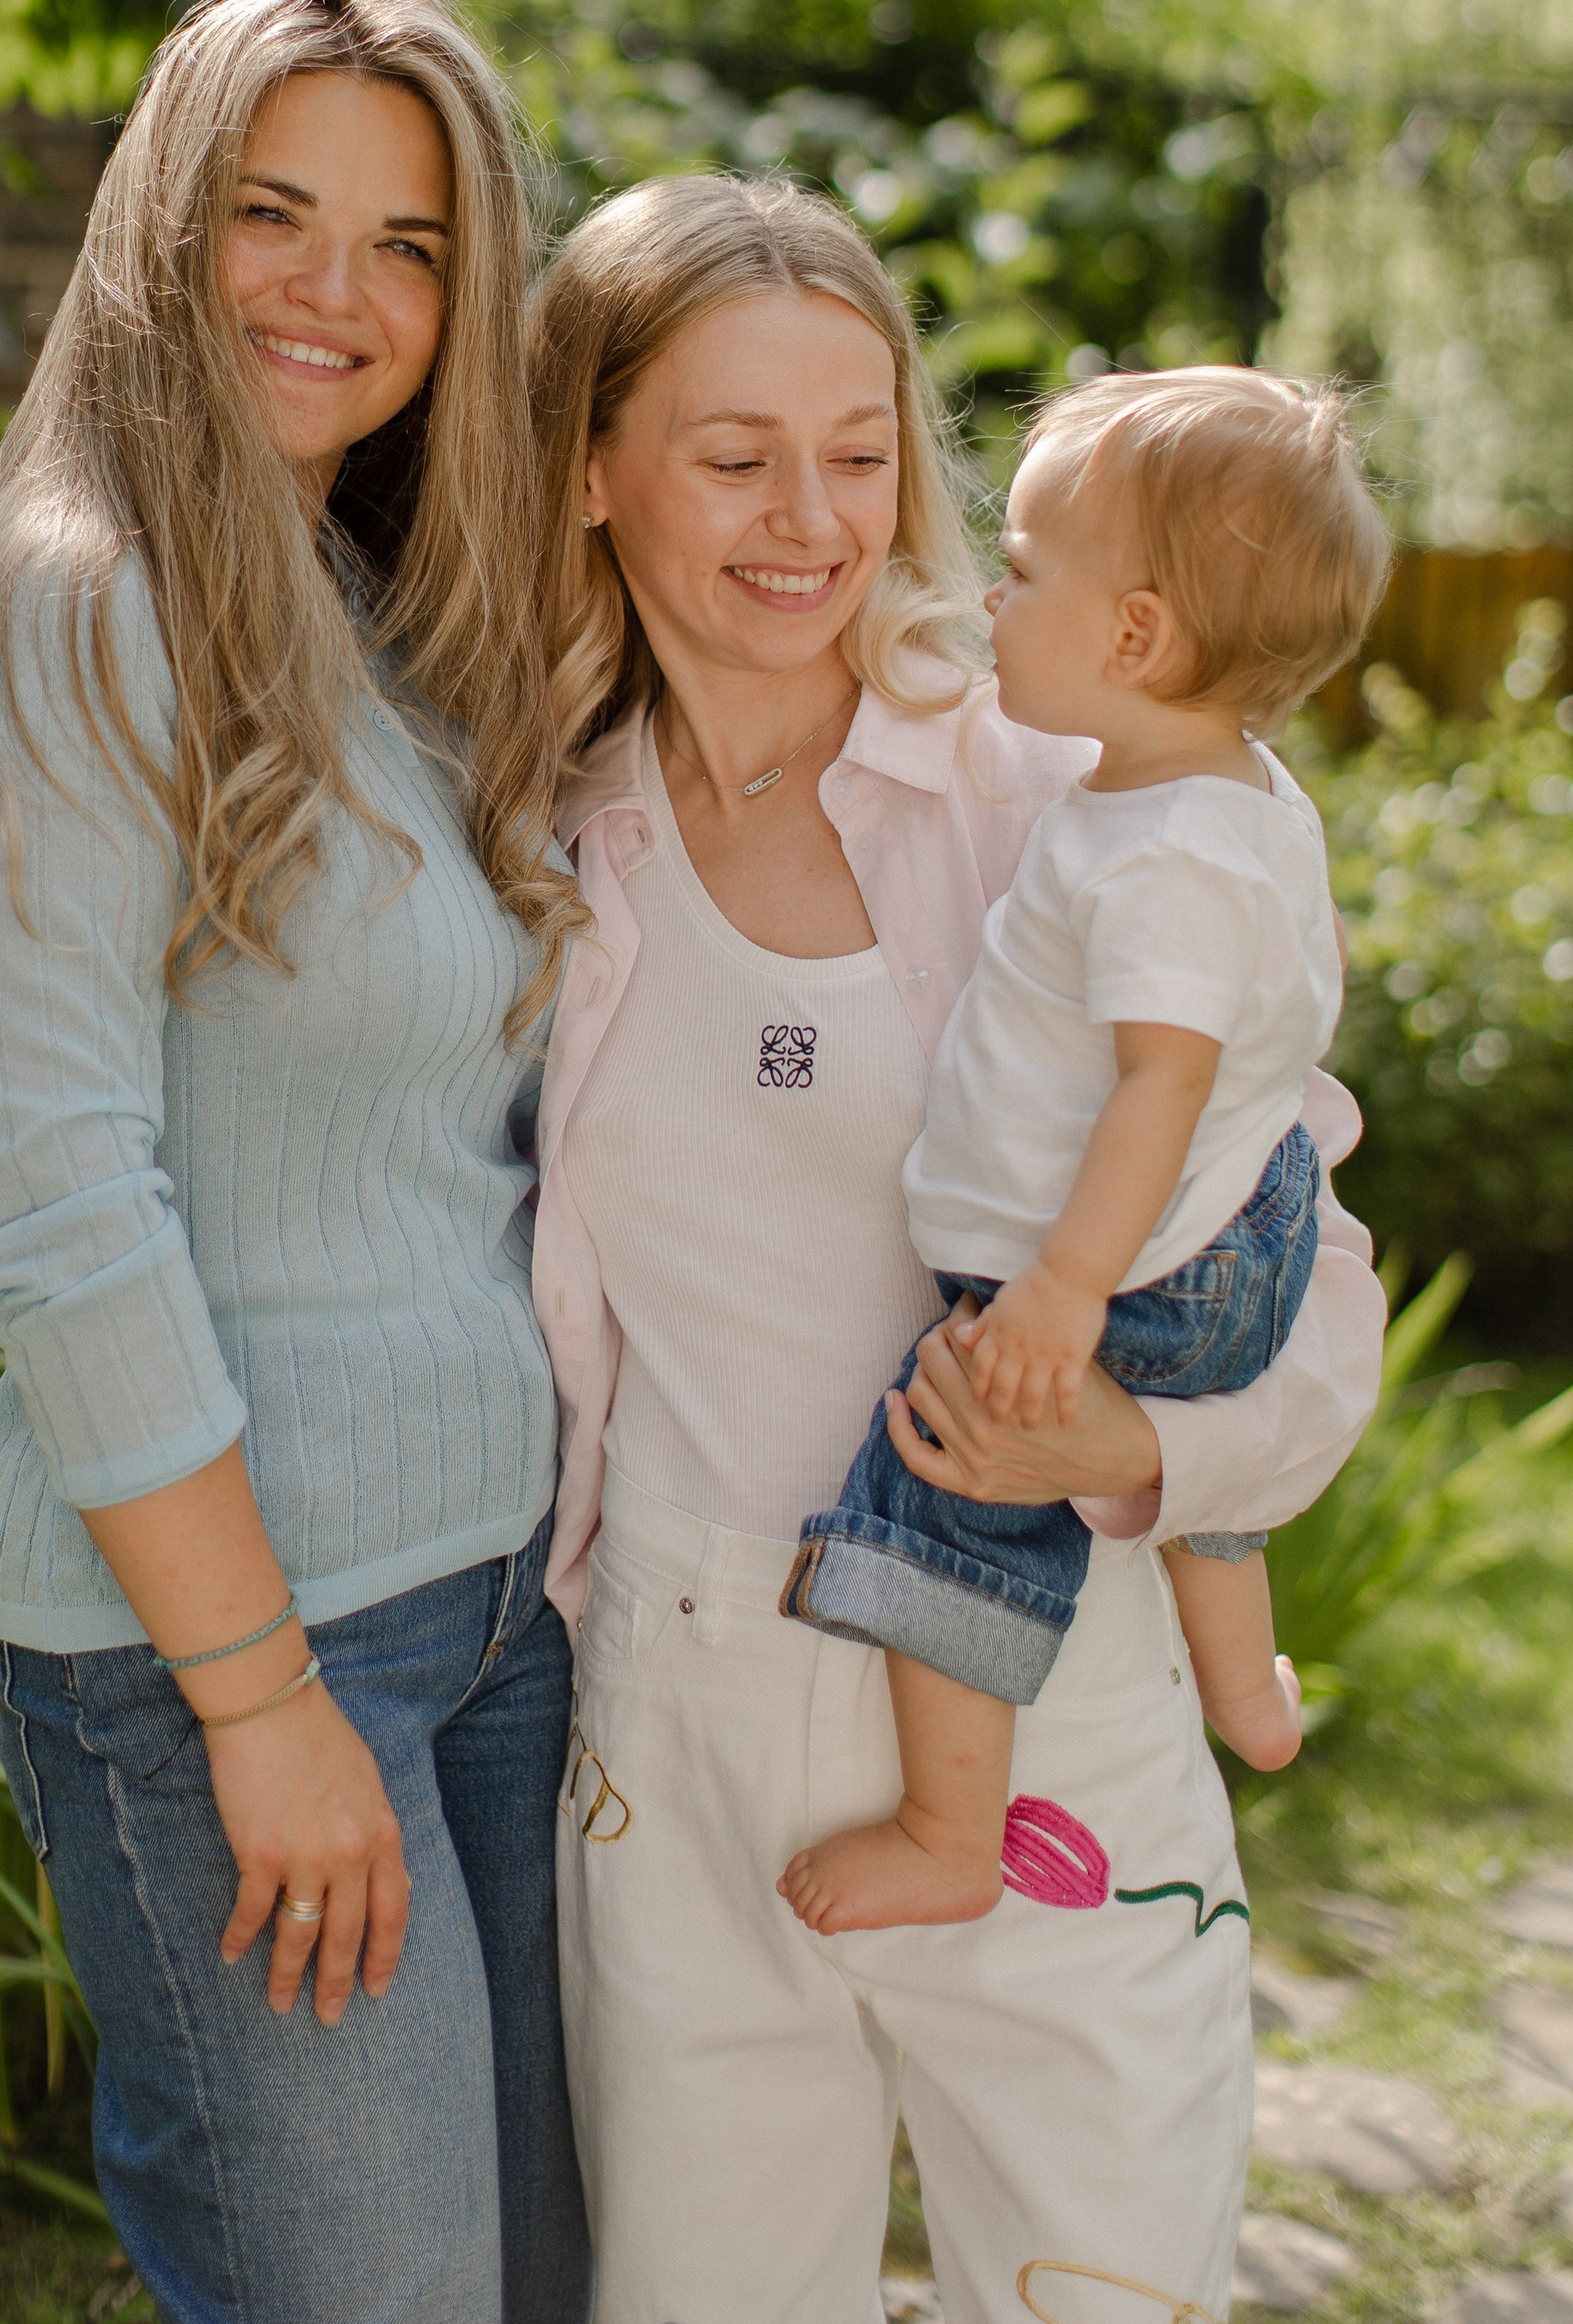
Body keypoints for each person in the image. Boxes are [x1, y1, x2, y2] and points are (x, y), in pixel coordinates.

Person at [523, 173, 1387, 2324]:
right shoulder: (524, 830)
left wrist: (1137, 1450)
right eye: (732, 459)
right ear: (590, 474)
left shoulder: (1065, 778)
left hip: (1051, 1680)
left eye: (858, 451)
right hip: (684, 1691)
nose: (810, 519)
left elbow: (1305, 1263)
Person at [0, 0, 591, 2324]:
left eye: (409, 243)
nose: (333, 293)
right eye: (274, 214)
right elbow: (63, 1216)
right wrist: (259, 1704)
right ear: (165, 228)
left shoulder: (373, 619)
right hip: (238, 1652)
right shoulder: (59, 620)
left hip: (494, 1614)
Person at [780, 367, 1392, 1938]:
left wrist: (1060, 1287)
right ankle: (1245, 1689)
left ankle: (945, 1830)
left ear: (1134, 638)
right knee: (1184, 1425)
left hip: (1132, 1255)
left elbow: (1158, 1092)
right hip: (1229, 1225)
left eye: (1028, 570)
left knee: (948, 1483)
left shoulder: (1164, 856)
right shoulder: (1230, 793)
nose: (997, 591)